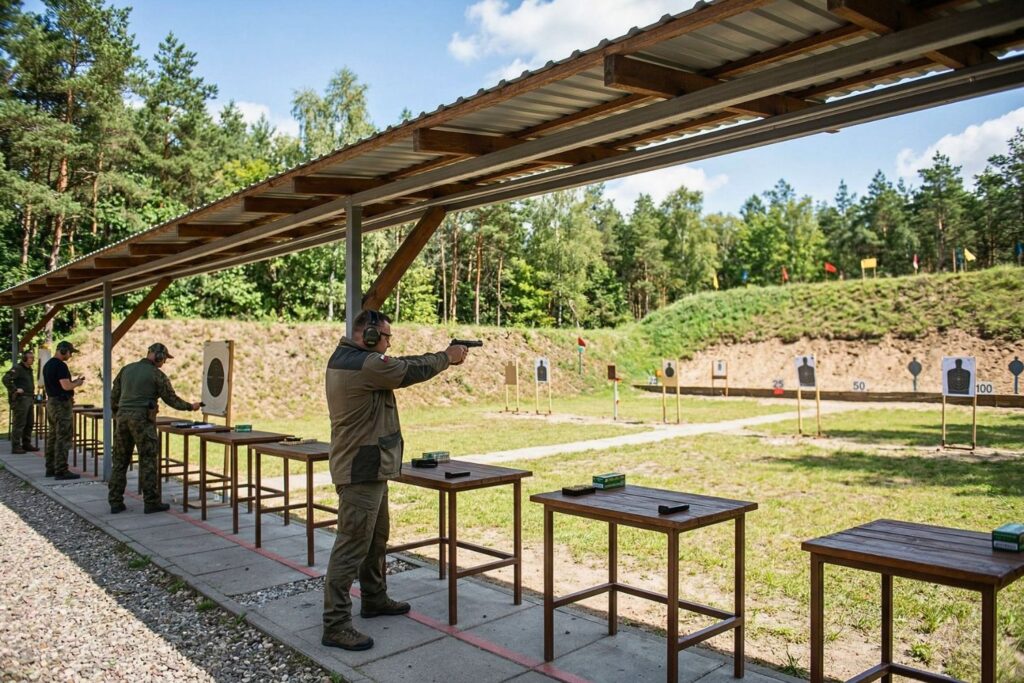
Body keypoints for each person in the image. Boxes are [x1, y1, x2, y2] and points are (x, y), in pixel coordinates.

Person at [322, 310, 468, 651]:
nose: (388, 343)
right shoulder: (365, 363)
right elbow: (406, 370)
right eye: (385, 336)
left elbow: (398, 363)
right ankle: (336, 624)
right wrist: (447, 357)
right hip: (361, 468)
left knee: (375, 539)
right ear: (368, 336)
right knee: (351, 546)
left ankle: (374, 598)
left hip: (371, 466)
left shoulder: (353, 359)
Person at [108, 343, 202, 514]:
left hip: (122, 419)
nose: (164, 362)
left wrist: (118, 414)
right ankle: (151, 501)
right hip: (142, 421)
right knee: (148, 460)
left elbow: (114, 396)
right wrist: (190, 407)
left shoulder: (126, 369)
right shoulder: (157, 375)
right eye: (164, 358)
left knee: (120, 461)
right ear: (159, 356)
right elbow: (171, 399)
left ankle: (115, 501)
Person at [42, 341, 84, 479]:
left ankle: (50, 468)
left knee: (53, 436)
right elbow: (66, 386)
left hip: (52, 403)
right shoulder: (60, 365)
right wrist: (77, 383)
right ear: (64, 350)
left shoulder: (48, 365)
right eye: (70, 352)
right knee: (63, 437)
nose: (70, 355)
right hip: (61, 405)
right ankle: (61, 470)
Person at [4, 349, 39, 454]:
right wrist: (15, 389)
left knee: (29, 423)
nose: (33, 359)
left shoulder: (29, 369)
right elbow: (6, 379)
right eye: (31, 357)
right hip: (21, 400)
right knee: (19, 423)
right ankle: (16, 446)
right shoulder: (17, 368)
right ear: (24, 359)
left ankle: (26, 443)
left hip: (29, 398)